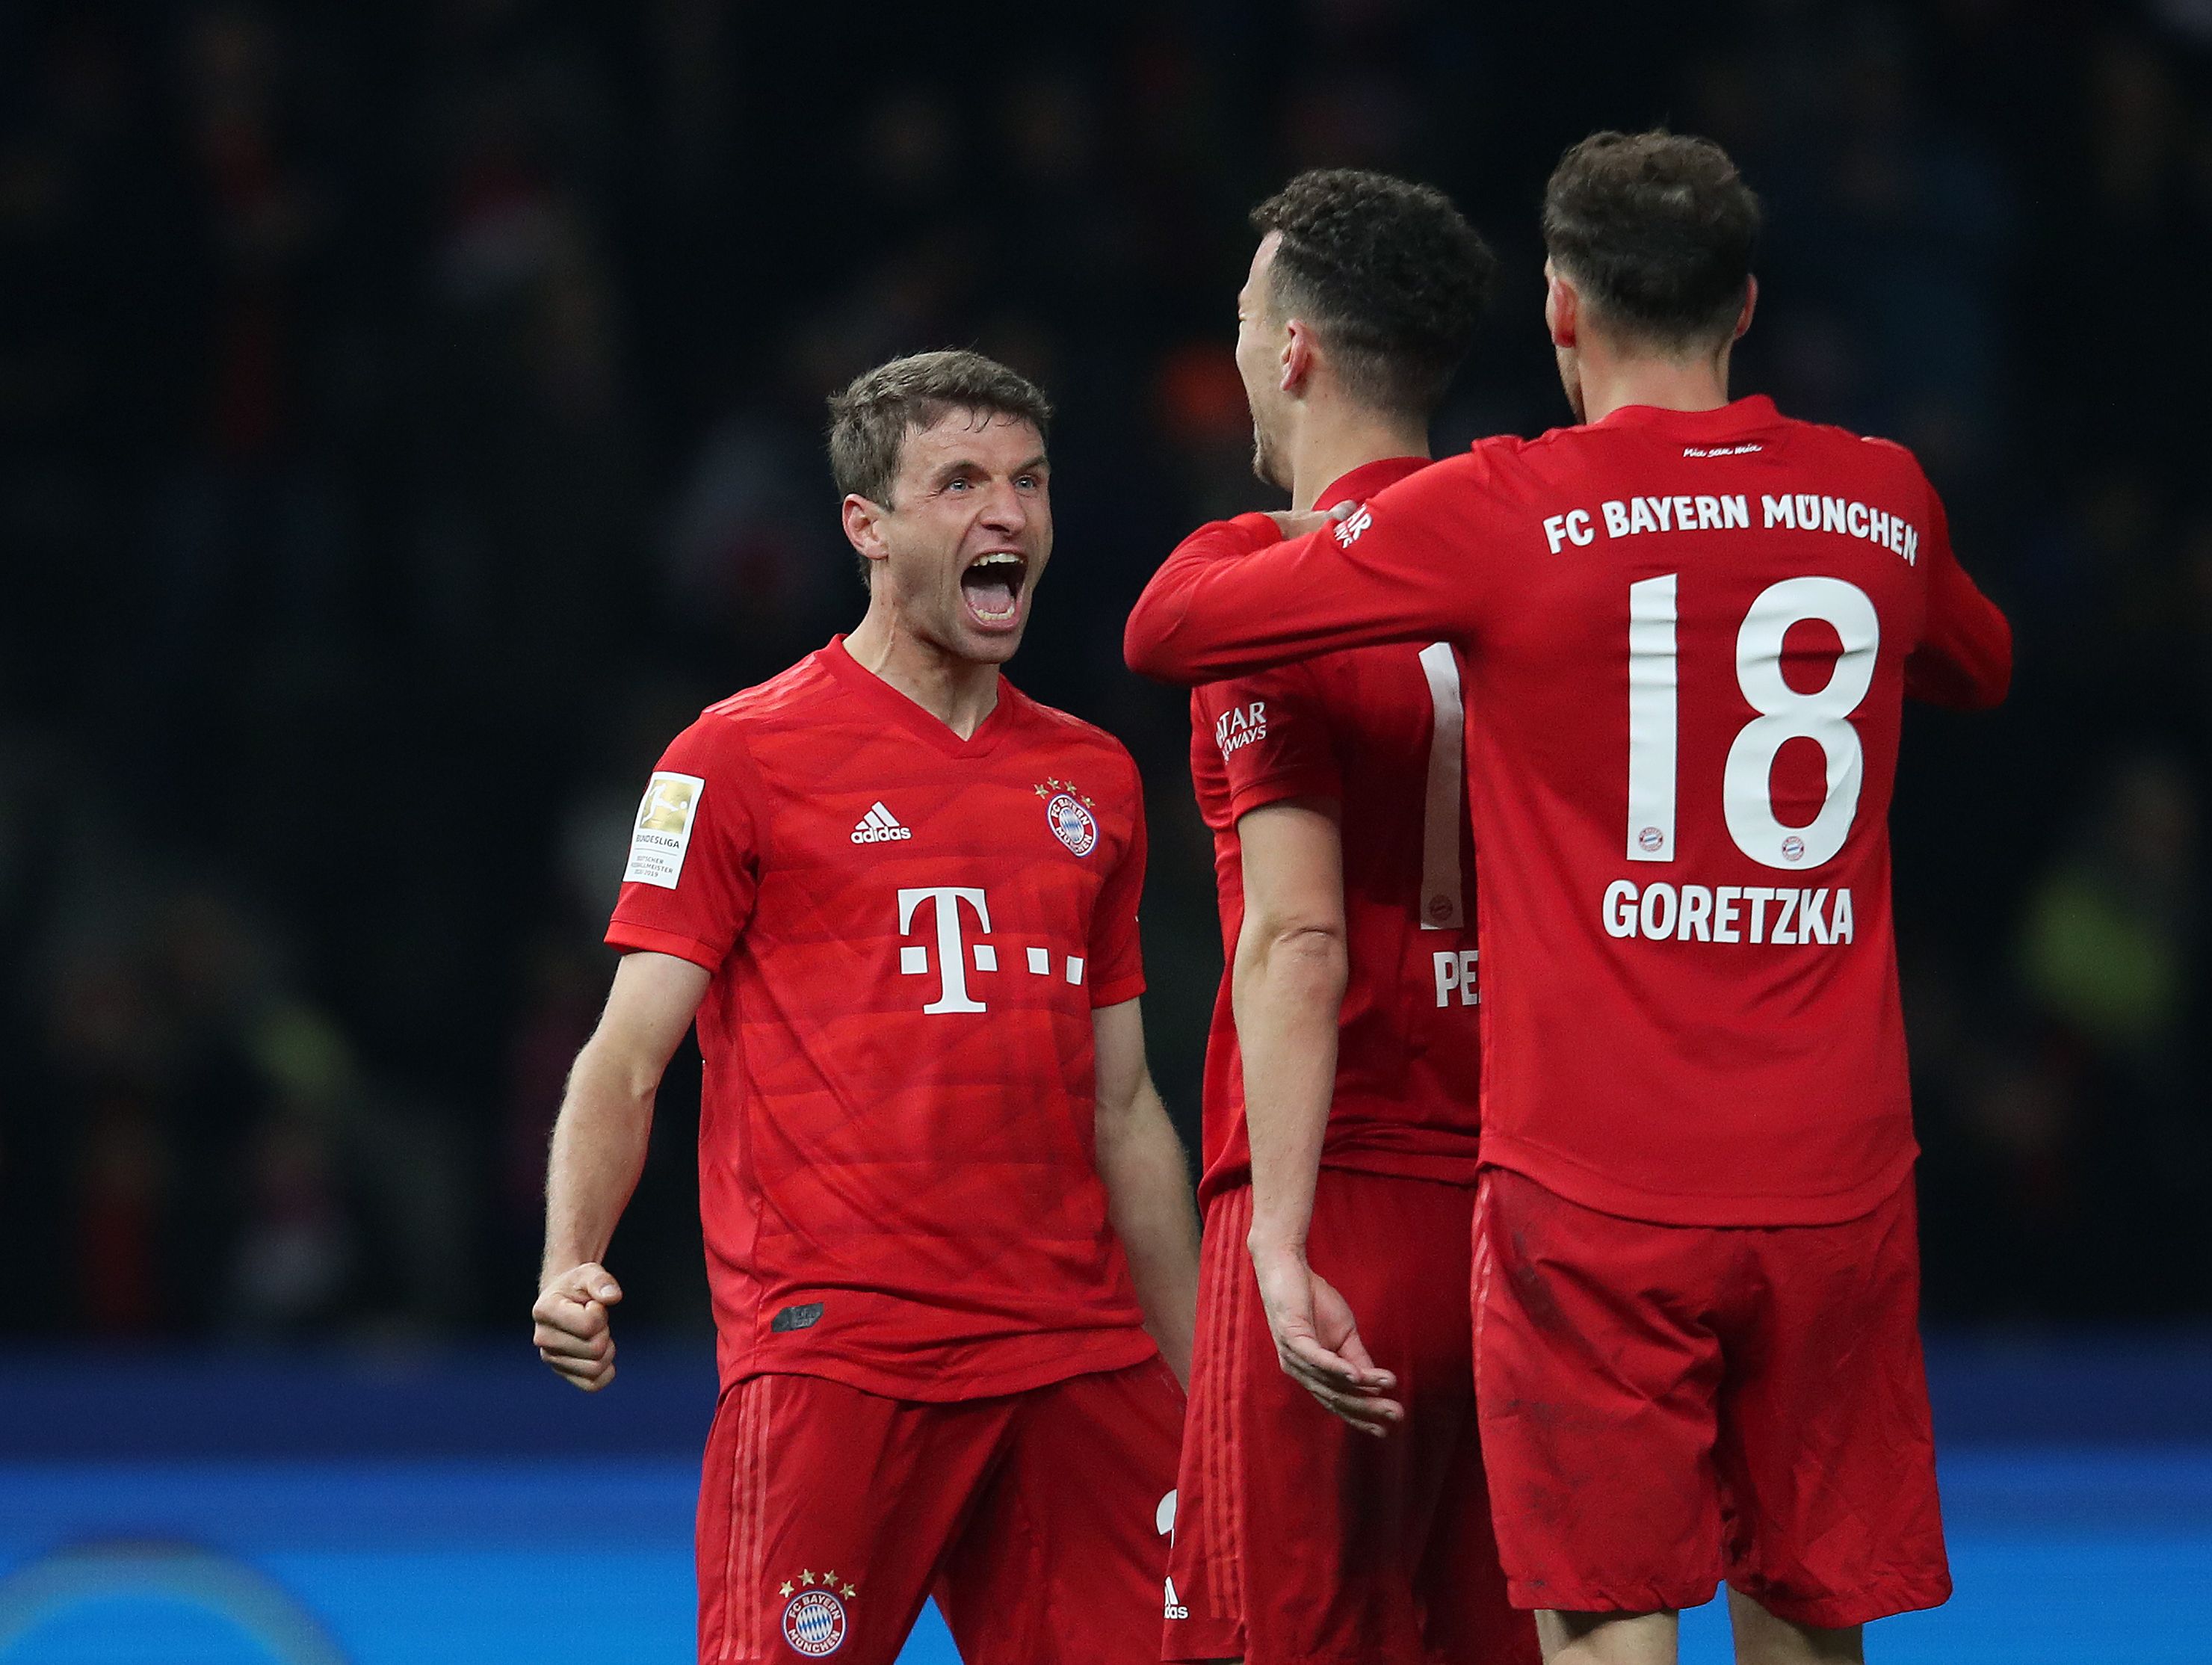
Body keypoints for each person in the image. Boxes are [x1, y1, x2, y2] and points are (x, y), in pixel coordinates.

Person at [1126, 134, 2013, 1665]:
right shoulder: (1883, 500)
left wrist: (1281, 535)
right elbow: (1979, 665)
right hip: (1837, 1168)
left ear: (1560, 313)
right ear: (1743, 303)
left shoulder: (1511, 510)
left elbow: (1174, 629)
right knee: (1807, 1605)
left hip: (1597, 1181)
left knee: (1607, 1624)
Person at [534, 350, 1200, 1665]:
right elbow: (622, 1062)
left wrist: (1203, 1383)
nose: (1006, 514)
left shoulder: (1097, 779)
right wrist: (569, 1258)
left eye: (1029, 481)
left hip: (1077, 1355)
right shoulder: (732, 757)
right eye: (959, 483)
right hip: (843, 1357)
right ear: (867, 527)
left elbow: (1122, 1107)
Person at [1160, 170, 1533, 1665]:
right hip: (1528, 1211)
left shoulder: (1262, 591)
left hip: (1337, 1204)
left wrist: (1278, 1244)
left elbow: (1298, 937)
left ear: (1298, 349)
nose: (1241, 347)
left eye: (1247, 316)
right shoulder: (1544, 577)